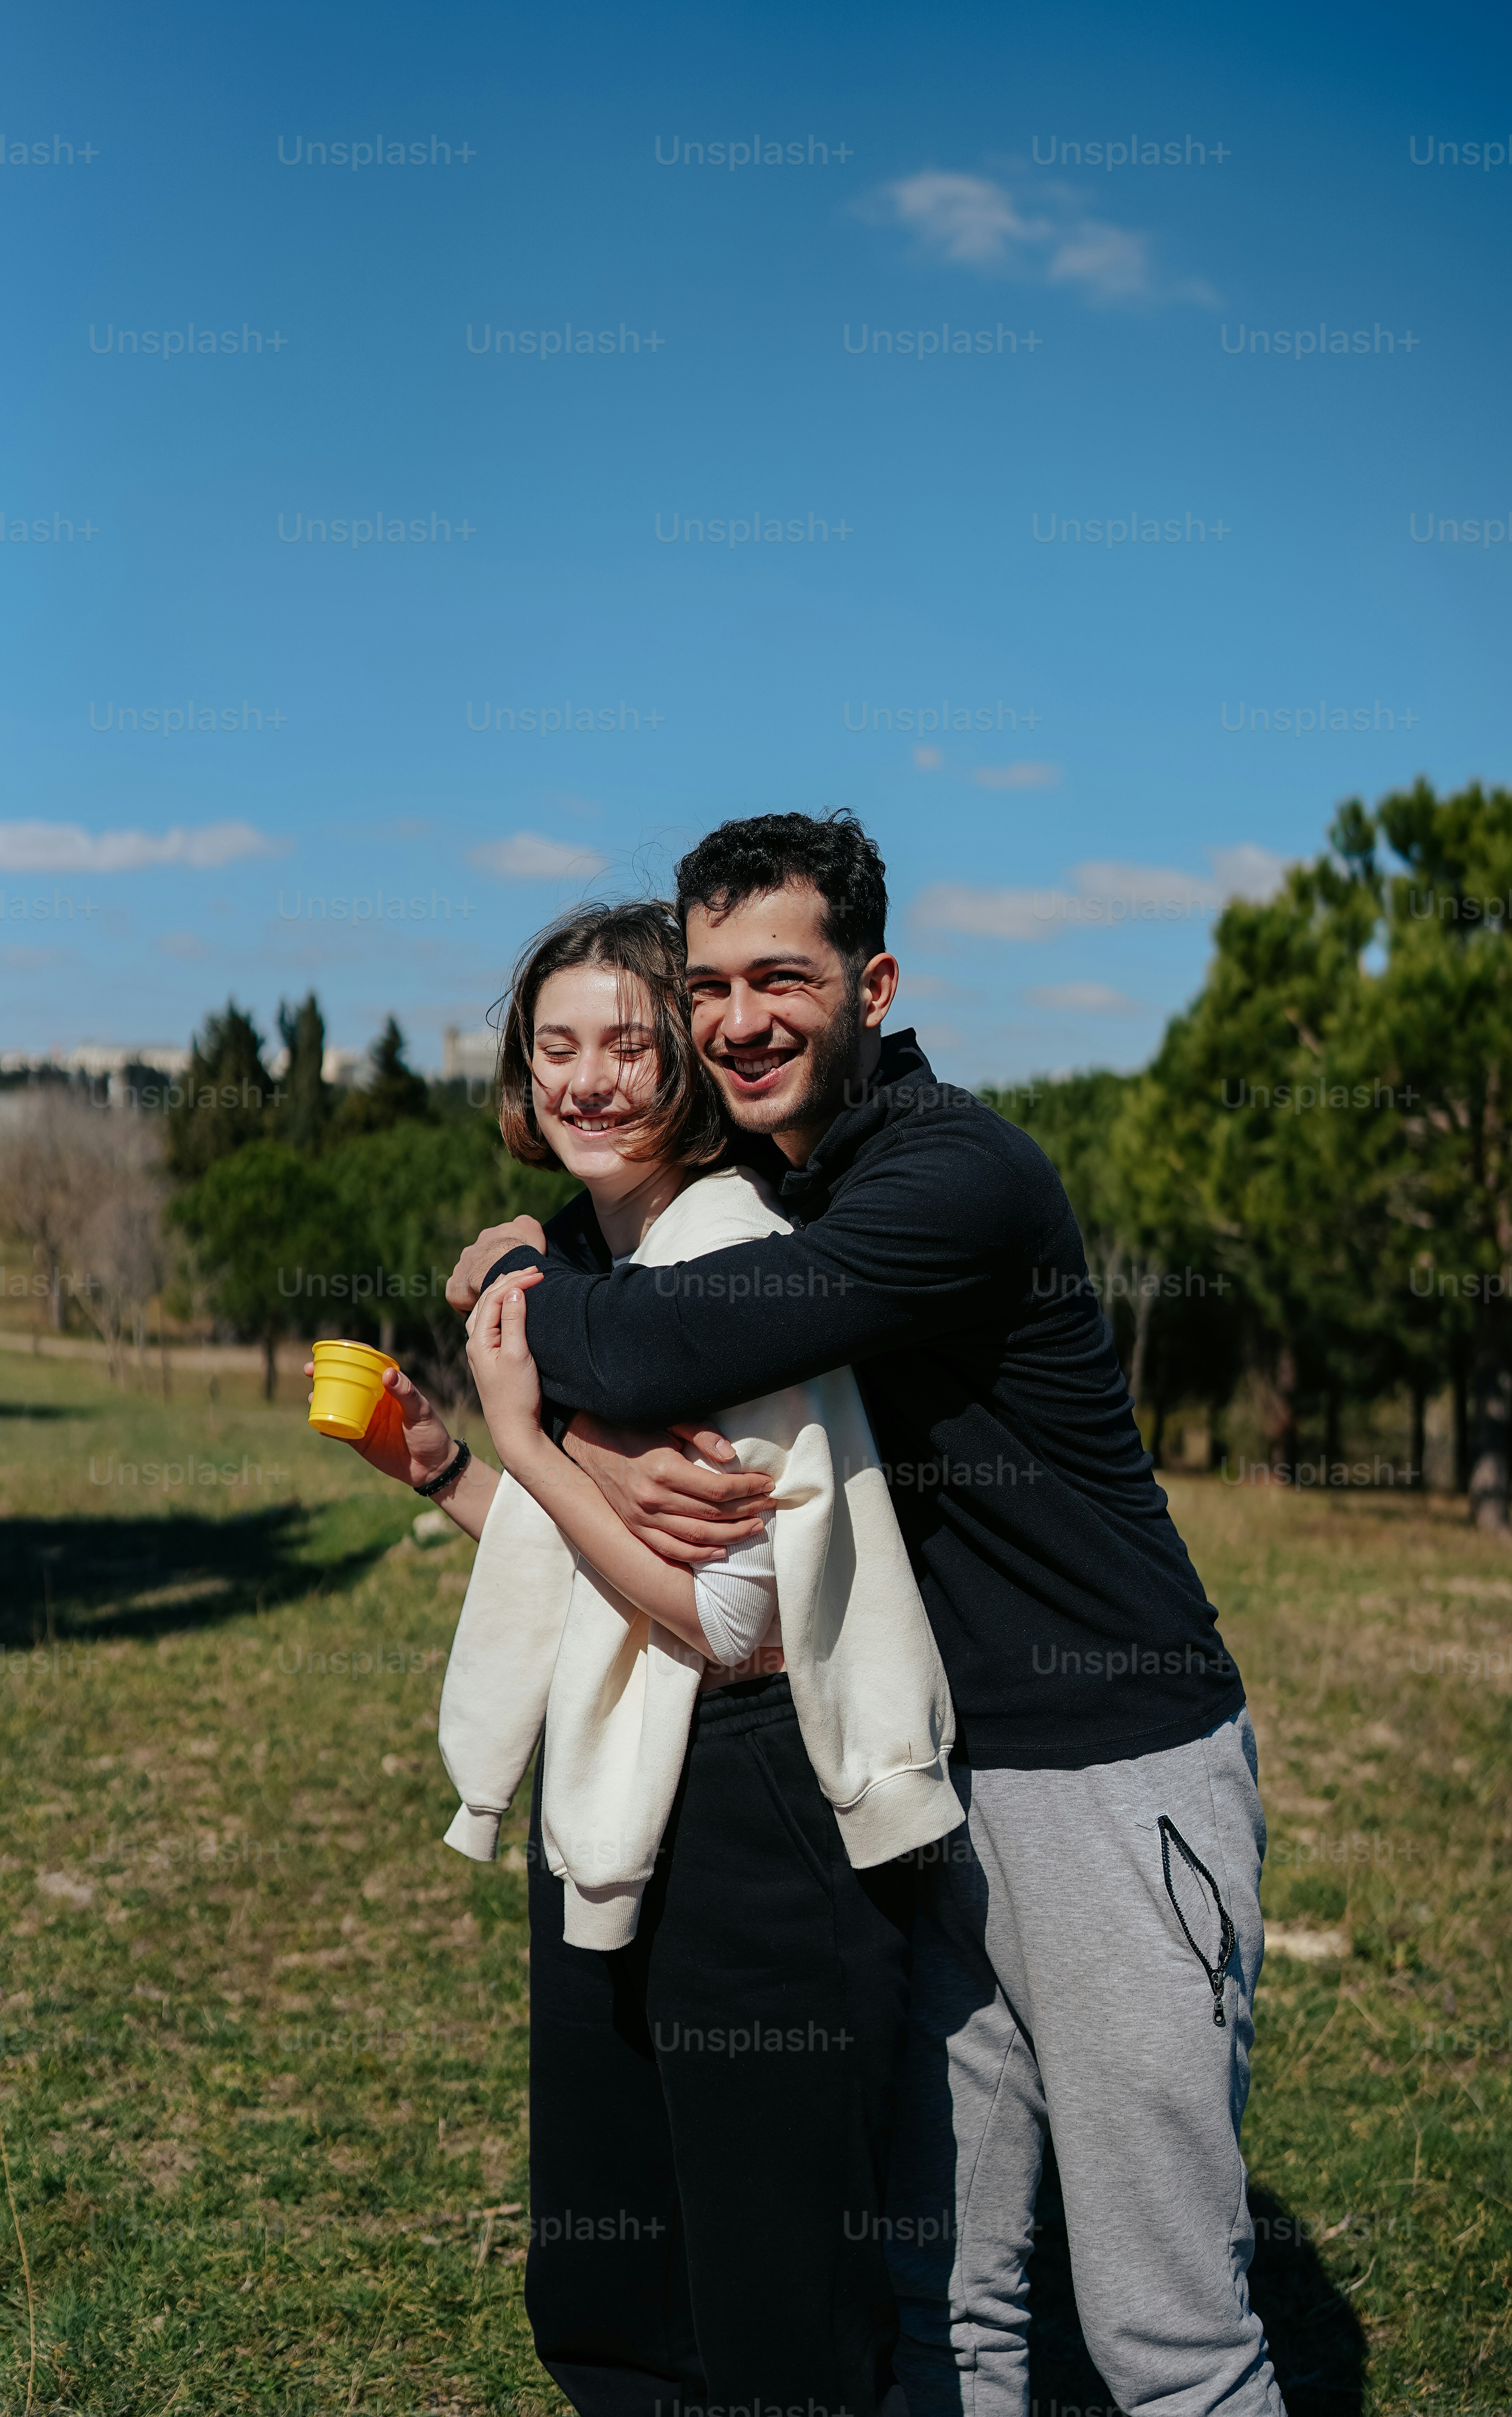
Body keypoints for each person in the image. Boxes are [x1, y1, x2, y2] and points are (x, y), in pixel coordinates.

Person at [449, 812, 1288, 2417]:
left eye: (785, 977)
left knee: (1162, 2334)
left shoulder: (951, 1179)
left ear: (877, 985)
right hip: (911, 1796)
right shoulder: (769, 1173)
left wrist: (523, 1331)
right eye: (709, 986)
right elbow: (606, 1246)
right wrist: (516, 1261)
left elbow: (645, 1344)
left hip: (1109, 1775)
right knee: (940, 2303)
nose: (741, 1019)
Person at [313, 898, 962, 2417]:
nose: (586, 1080)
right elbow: (603, 1580)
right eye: (554, 1048)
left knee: (770, 2296)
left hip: (754, 1812)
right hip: (622, 1796)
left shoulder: (727, 1261)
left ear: (686, 1061)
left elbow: (725, 1625)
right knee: (618, 2272)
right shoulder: (590, 1272)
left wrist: (537, 1444)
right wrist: (448, 1472)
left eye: (626, 1043)